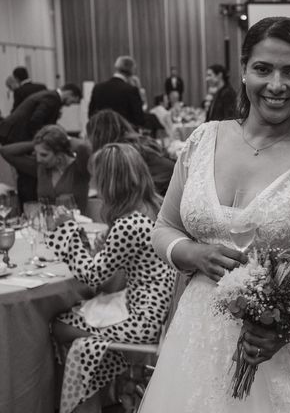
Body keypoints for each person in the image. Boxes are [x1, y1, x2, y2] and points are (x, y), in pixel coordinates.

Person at [139, 16, 290, 412]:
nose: (276, 85)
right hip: (193, 340)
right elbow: (164, 228)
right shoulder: (202, 140)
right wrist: (192, 254)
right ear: (244, 71)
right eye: (263, 69)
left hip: (281, 349)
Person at [48, 143, 176, 413]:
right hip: (159, 312)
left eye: (97, 178)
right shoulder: (155, 207)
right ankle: (113, 391)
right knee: (78, 316)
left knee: (60, 326)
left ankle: (86, 401)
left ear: (109, 182)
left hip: (145, 320)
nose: (94, 184)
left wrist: (66, 233)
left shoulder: (129, 223)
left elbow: (93, 276)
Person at [0, 84, 82, 205]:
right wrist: (43, 141)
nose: (70, 105)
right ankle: (30, 209)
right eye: (72, 101)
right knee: (27, 179)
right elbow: (36, 121)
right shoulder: (53, 99)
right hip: (16, 136)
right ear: (69, 93)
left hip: (14, 135)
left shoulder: (49, 96)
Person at [0, 124, 91, 213]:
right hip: (46, 226)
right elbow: (6, 152)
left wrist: (64, 140)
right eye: (36, 153)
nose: (39, 159)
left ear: (59, 153)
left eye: (44, 155)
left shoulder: (80, 168)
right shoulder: (41, 168)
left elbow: (83, 147)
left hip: (77, 226)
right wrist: (38, 143)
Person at [86, 110, 175, 195]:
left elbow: (121, 190)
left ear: (98, 136)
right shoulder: (139, 142)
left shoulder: (122, 153)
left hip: (161, 196)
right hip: (173, 190)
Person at [88, 56, 145, 127]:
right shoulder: (131, 90)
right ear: (132, 70)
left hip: (102, 133)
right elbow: (139, 118)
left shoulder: (98, 88)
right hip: (124, 133)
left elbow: (91, 114)